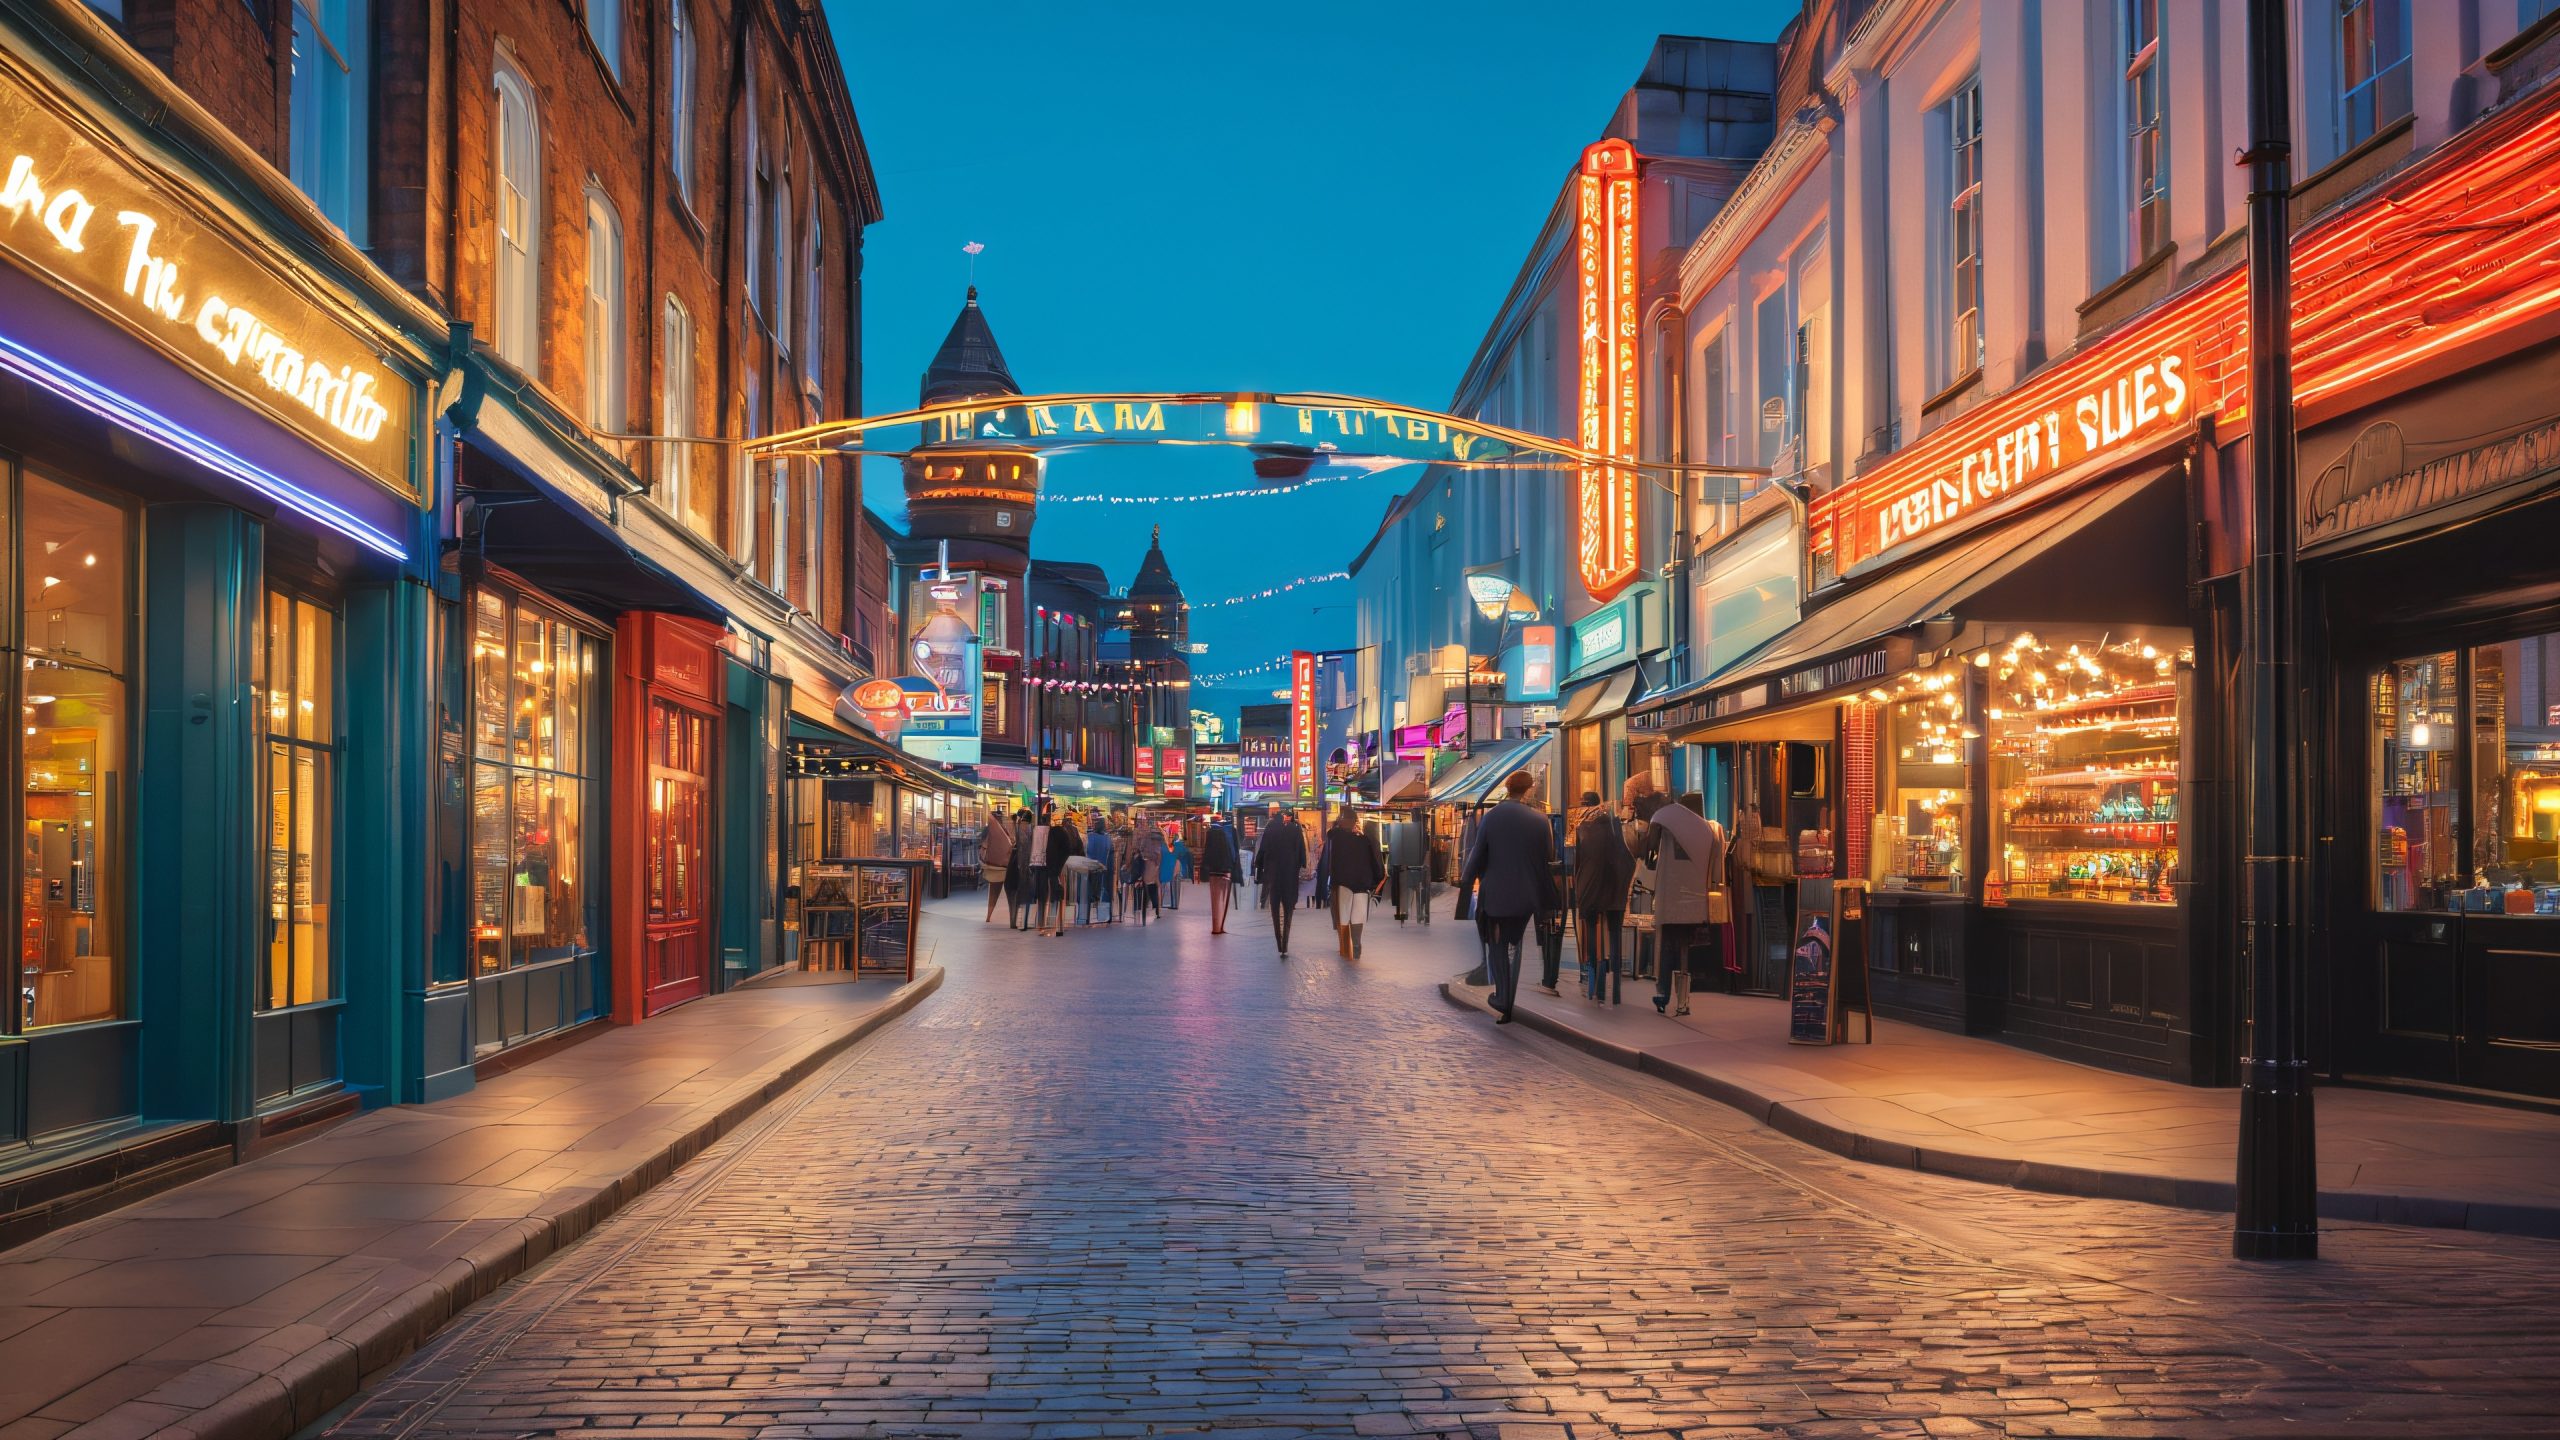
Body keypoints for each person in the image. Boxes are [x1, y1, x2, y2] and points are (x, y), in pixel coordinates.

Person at [1458, 770, 1559, 1023]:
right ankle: (1510, 999)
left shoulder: (1492, 817)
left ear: (1507, 787)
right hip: (1529, 894)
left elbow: (1477, 853)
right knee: (1517, 943)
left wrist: (1466, 880)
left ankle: (1503, 997)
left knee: (1497, 943)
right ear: (1529, 789)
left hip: (1497, 893)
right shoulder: (1539, 820)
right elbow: (1549, 855)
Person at [1644, 791, 1723, 1016]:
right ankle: (1683, 1000)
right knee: (1685, 949)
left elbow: (1649, 850)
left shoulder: (1667, 827)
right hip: (1695, 900)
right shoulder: (1708, 830)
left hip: (1671, 898)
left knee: (1667, 947)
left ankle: (1663, 994)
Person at [1571, 789, 1634, 1003]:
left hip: (1591, 889)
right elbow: (1629, 860)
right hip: (1615, 889)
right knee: (1614, 934)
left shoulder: (1582, 828)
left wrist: (1579, 891)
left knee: (1591, 935)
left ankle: (1594, 986)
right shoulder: (1620, 828)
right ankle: (1615, 987)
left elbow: (1577, 864)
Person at [1320, 809, 1387, 959]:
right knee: (1357, 917)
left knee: (1343, 918)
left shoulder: (1335, 838)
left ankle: (1346, 950)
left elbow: (1327, 863)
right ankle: (1356, 944)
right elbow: (1375, 864)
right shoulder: (1365, 840)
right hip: (1362, 884)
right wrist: (1375, 882)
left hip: (1342, 883)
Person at [1254, 807, 1308, 957]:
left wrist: (1259, 866)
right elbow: (1301, 851)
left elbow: (1263, 850)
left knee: (1275, 910)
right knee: (1288, 909)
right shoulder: (1296, 829)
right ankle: (1285, 944)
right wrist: (1301, 864)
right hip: (1290, 875)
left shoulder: (1270, 828)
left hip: (1273, 875)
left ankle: (1279, 943)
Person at [1039, 810, 1079, 938]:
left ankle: (1051, 926)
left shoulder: (1051, 834)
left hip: (1052, 871)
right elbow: (1068, 849)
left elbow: (1050, 854)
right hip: (1059, 870)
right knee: (1058, 898)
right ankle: (1058, 926)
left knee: (1052, 898)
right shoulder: (1059, 833)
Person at [1199, 819, 1238, 934]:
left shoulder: (1210, 833)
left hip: (1213, 870)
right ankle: (1220, 926)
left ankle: (1216, 927)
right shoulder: (1230, 832)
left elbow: (1206, 852)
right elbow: (1234, 852)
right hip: (1227, 869)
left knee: (1215, 899)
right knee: (1224, 899)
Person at [981, 810, 1017, 925]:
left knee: (994, 892)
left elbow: (982, 845)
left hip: (993, 865)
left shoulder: (990, 830)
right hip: (1003, 866)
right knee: (1010, 893)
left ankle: (989, 916)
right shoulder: (1002, 830)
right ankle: (1012, 918)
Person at [1001, 810, 1035, 930]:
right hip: (1022, 867)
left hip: (1014, 866)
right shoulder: (1030, 831)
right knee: (1021, 894)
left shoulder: (1017, 829)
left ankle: (1015, 921)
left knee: (1014, 894)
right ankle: (1020, 921)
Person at [1079, 816, 1115, 926]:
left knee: (1090, 893)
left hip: (1091, 868)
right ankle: (1103, 916)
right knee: (1103, 891)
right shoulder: (1107, 838)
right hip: (1103, 868)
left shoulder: (1090, 837)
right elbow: (1109, 850)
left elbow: (1088, 851)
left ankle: (1087, 917)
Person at [1162, 828, 1192, 911]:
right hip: (1177, 867)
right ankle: (1174, 903)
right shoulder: (1179, 845)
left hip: (1173, 867)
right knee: (1174, 883)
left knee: (1171, 884)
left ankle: (1171, 903)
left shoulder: (1172, 846)